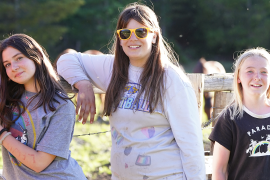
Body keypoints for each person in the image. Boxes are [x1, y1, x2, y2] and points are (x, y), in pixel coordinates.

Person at [57, 3, 205, 179]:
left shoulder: (172, 80)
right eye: (125, 33)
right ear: (119, 39)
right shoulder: (112, 69)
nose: (132, 38)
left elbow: (191, 144)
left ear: (154, 36)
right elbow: (66, 60)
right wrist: (83, 84)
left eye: (141, 32)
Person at [0, 34, 86, 180]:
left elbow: (39, 163)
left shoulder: (61, 105)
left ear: (37, 55)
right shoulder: (8, 98)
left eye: (19, 58)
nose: (13, 67)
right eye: (7, 64)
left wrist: (2, 134)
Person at [209, 47, 270, 180]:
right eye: (250, 71)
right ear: (238, 77)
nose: (257, 77)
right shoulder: (229, 118)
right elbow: (220, 170)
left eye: (264, 72)